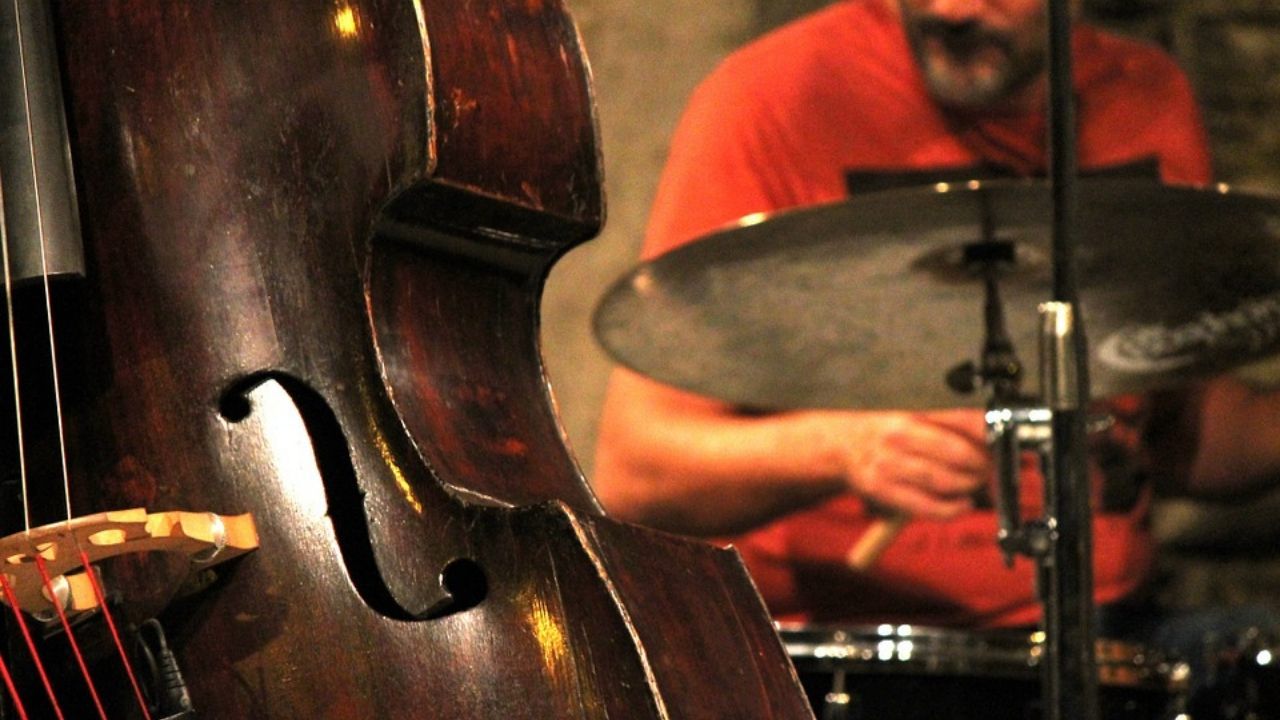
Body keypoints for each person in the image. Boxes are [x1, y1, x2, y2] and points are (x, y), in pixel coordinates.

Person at [592, 0, 1280, 635]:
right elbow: (636, 472)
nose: (950, 9)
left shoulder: (1149, 95)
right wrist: (842, 449)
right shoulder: (776, 96)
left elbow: (1182, 437)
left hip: (1109, 634)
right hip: (856, 649)